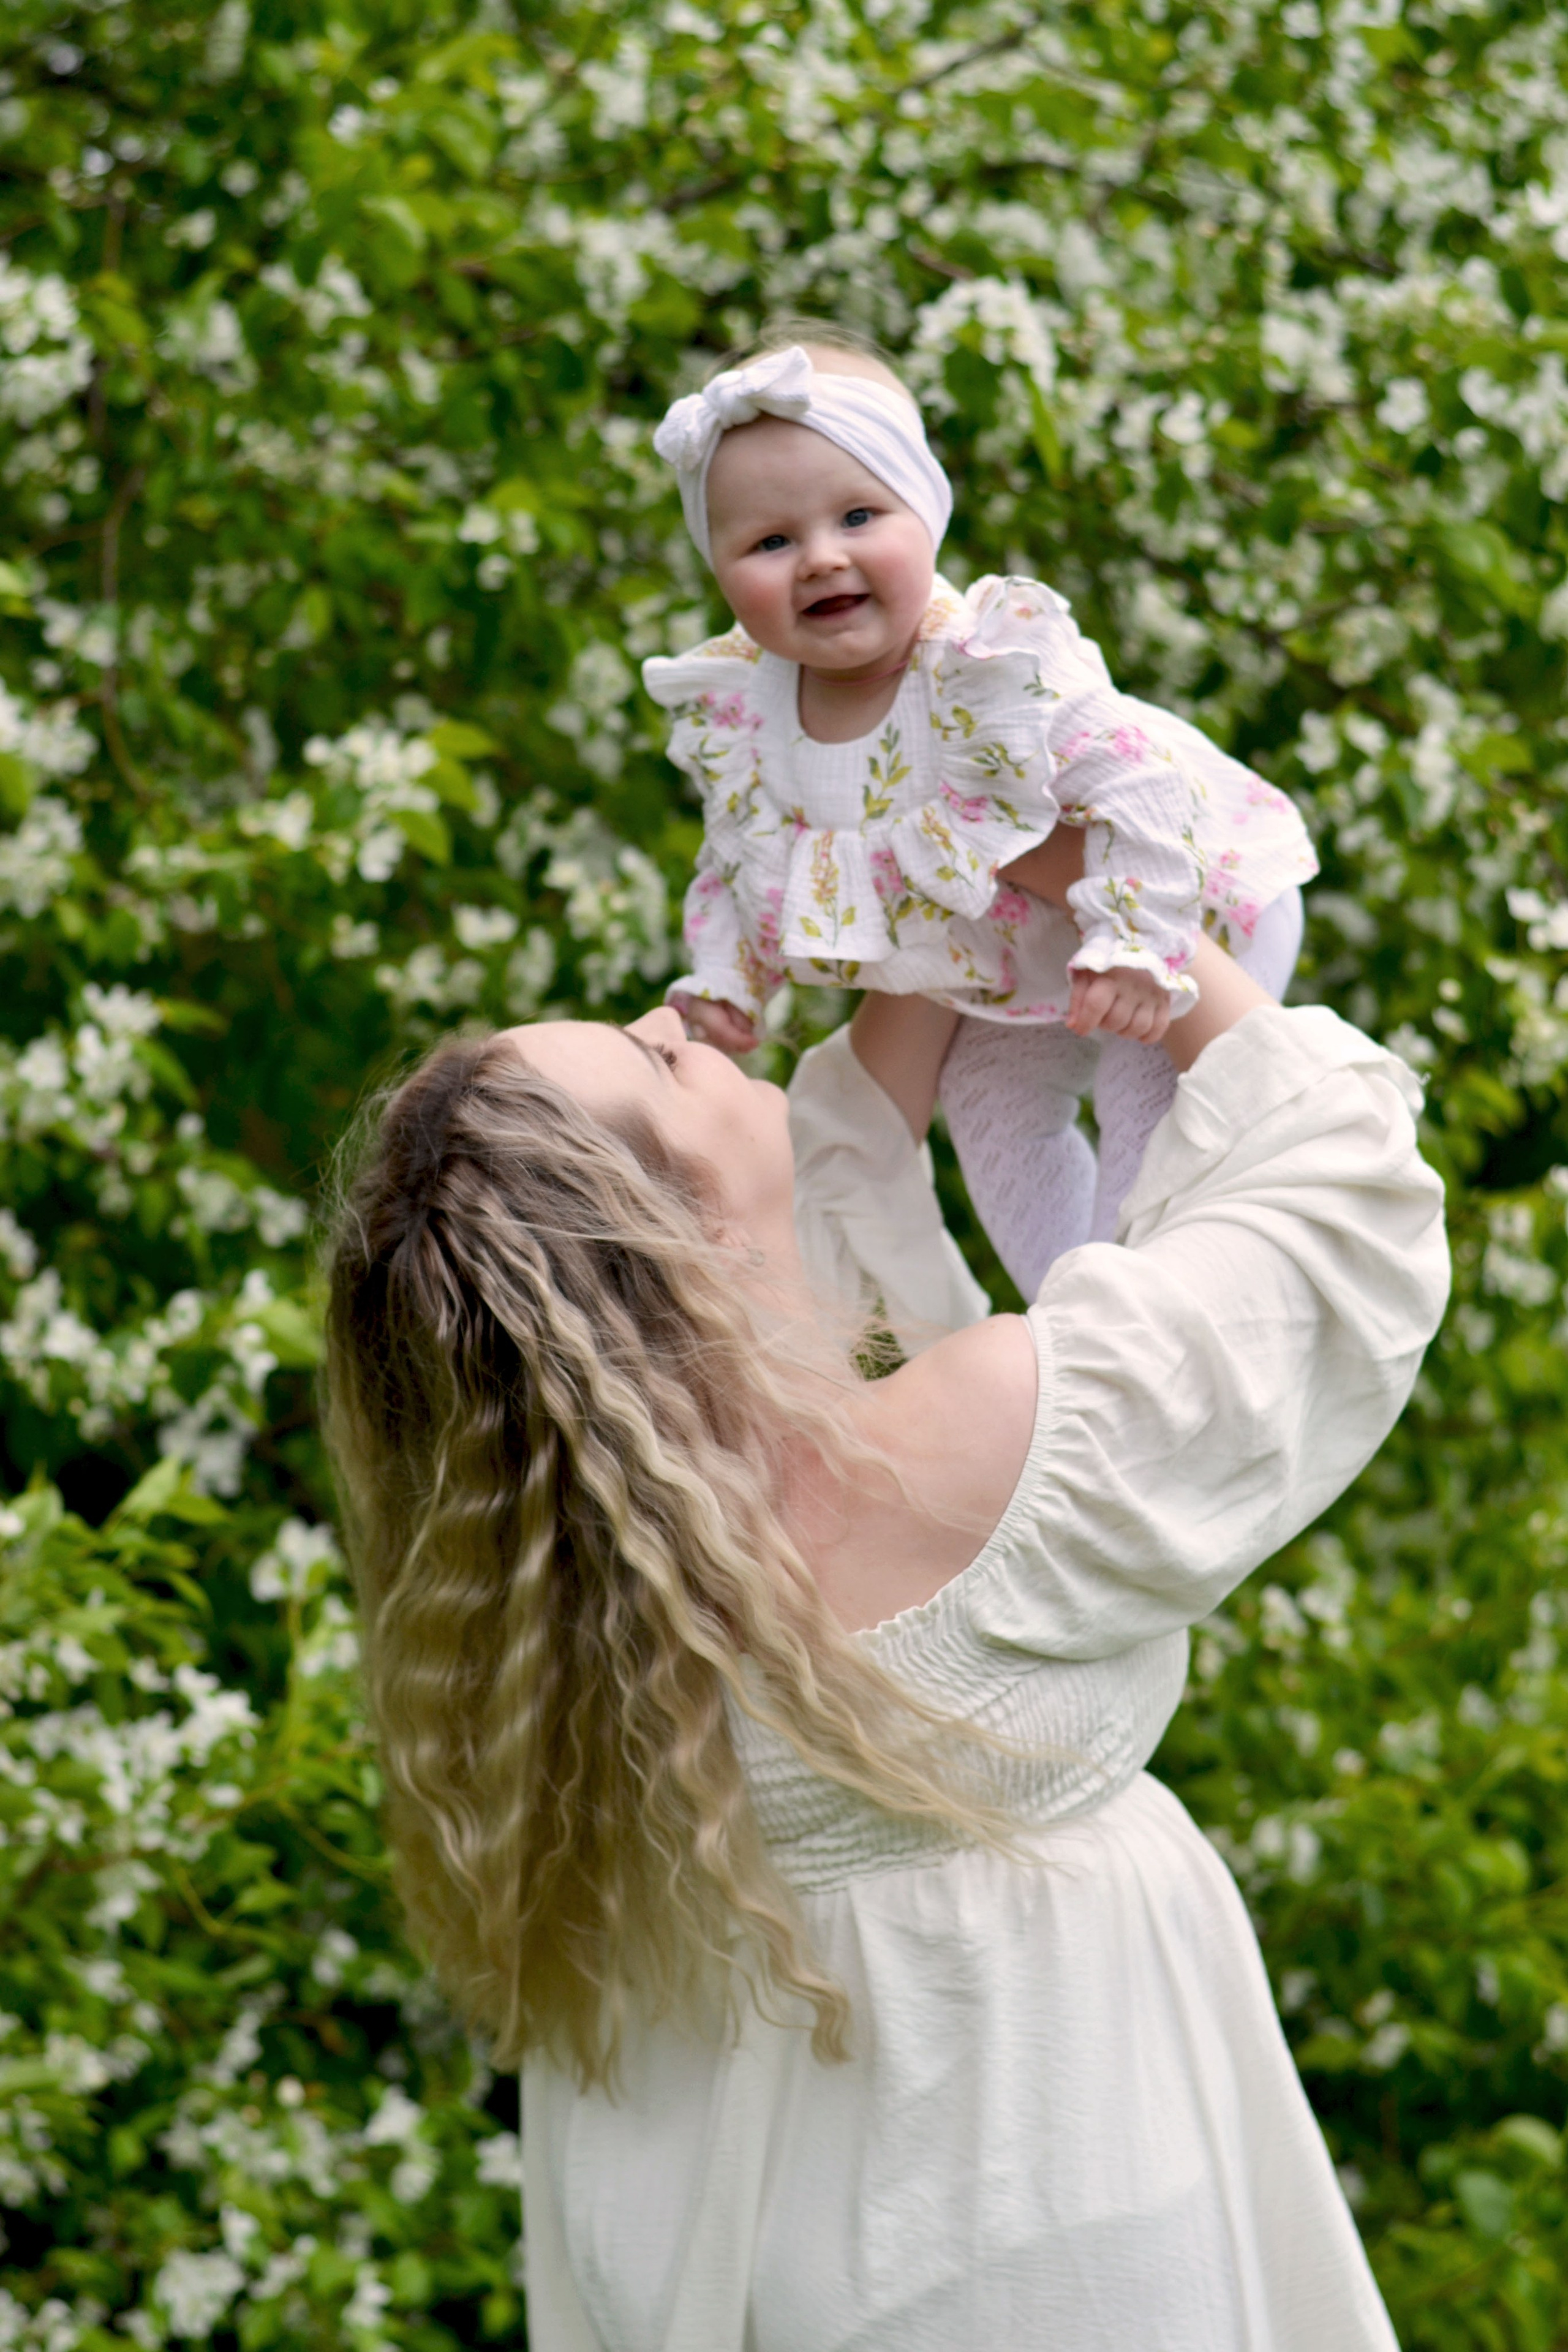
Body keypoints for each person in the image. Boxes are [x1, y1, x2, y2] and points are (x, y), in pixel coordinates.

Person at [323, 887, 1450, 2350]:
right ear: (679, 1244)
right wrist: (1131, 904)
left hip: (739, 2233)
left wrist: (932, 853)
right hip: (1022, 2202)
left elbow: (814, 1252)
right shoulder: (955, 1443)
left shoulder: (577, 1587)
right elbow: (1337, 1211)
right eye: (654, 1059)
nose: (678, 1017)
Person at [644, 322, 1319, 1285]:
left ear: (928, 510)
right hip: (1025, 972)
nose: (822, 559)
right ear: (718, 567)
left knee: (1150, 1115)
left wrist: (1135, 939)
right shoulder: (751, 713)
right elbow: (742, 856)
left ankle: (1143, 1303)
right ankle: (1068, 1313)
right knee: (990, 1106)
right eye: (771, 540)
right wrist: (728, 977)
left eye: (859, 517)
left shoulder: (987, 663)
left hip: (1178, 906)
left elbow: (1143, 784)